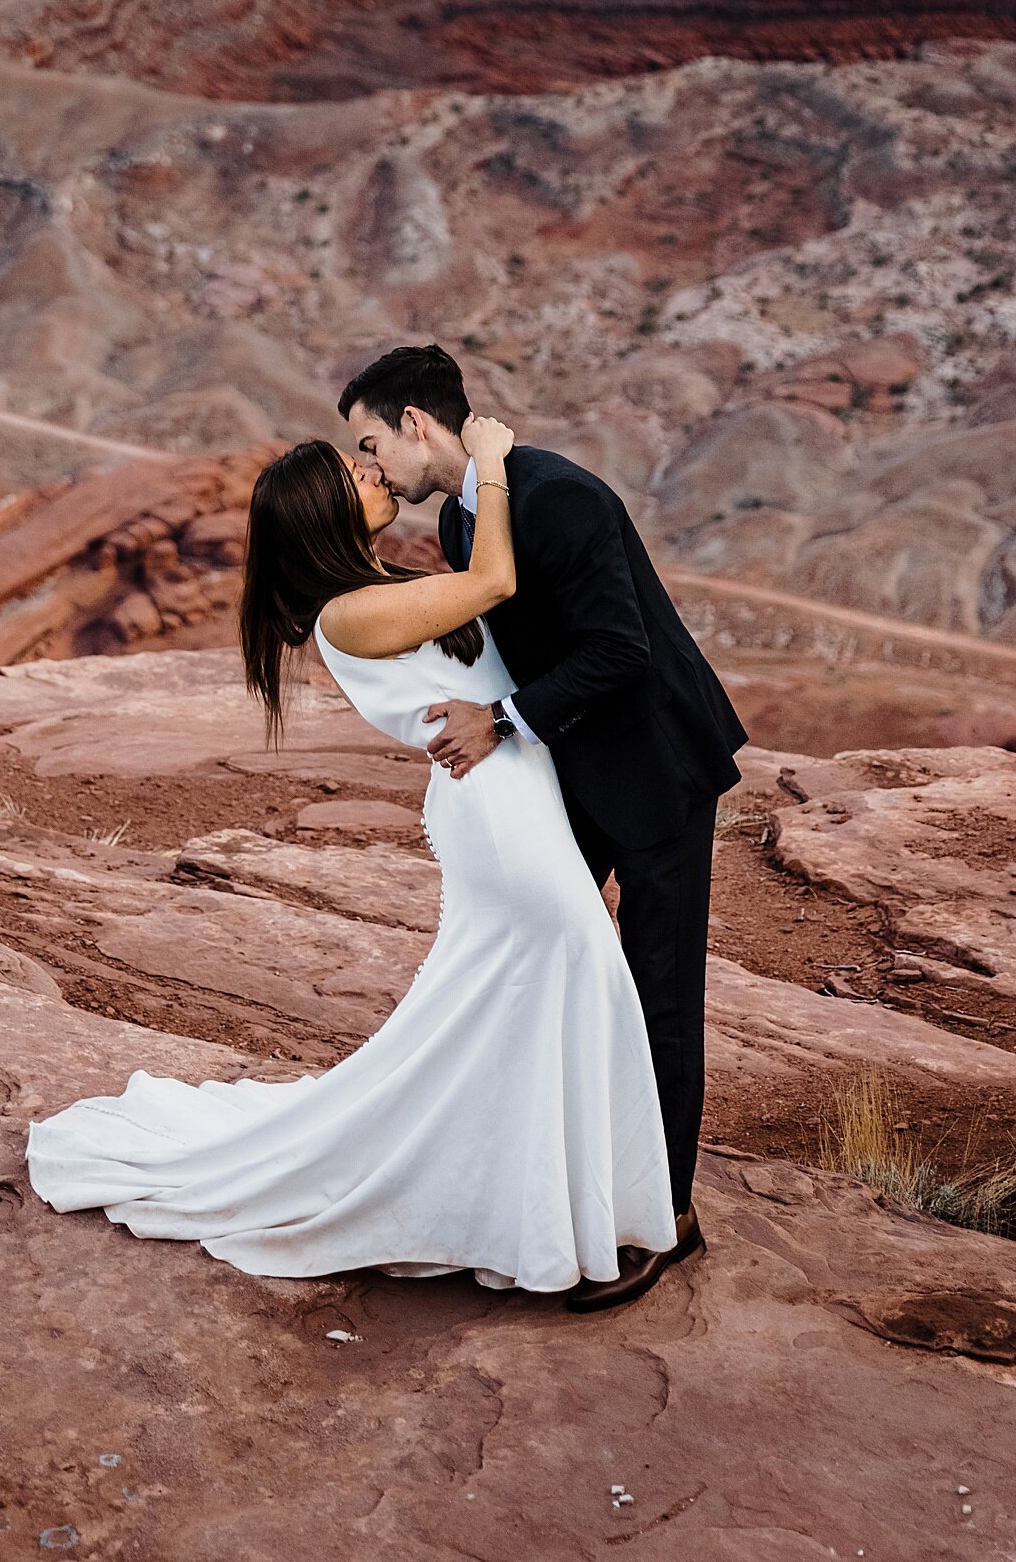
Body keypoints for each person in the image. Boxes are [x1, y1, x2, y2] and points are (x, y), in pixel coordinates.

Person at [24, 413, 678, 1294]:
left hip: (517, 795)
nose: (373, 476)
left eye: (363, 463)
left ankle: (560, 1206)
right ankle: (557, 1222)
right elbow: (496, 576)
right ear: (322, 519)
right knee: (572, 979)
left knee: (527, 1001)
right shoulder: (350, 613)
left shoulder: (381, 586)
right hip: (496, 813)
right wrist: (487, 461)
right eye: (352, 478)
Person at [340, 343, 746, 1312]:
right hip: (582, 771)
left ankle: (666, 1218)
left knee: (657, 987)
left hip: (656, 772)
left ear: (415, 422)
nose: (371, 464)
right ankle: (559, 1178)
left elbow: (618, 645)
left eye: (369, 441)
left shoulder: (555, 492)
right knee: (556, 961)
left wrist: (501, 721)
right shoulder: (465, 507)